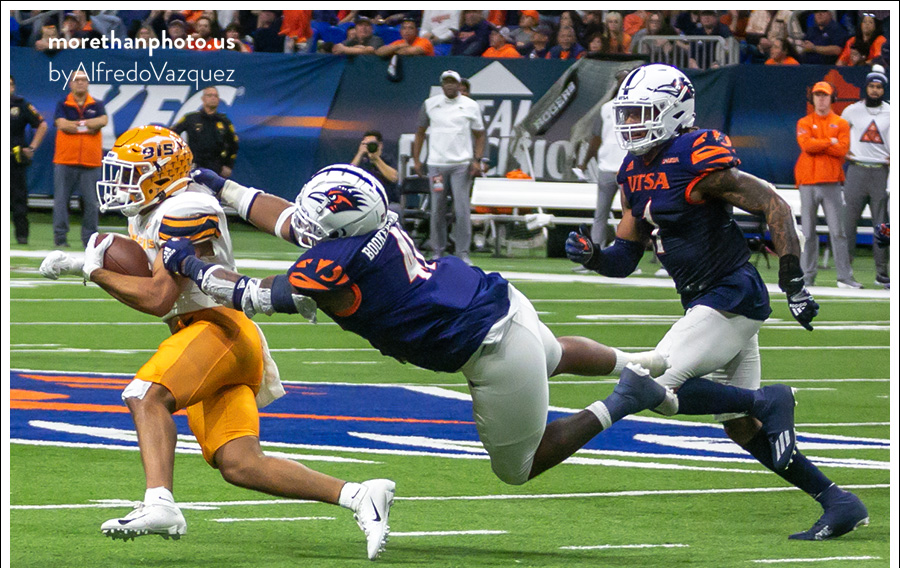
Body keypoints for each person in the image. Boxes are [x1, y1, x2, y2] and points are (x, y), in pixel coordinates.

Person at [164, 164, 806, 519]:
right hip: (500, 302)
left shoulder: (335, 262)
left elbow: (253, 294)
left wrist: (189, 265)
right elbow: (285, 218)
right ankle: (632, 360)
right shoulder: (370, 225)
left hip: (489, 349)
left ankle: (623, 398)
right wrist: (222, 185)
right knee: (553, 352)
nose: (302, 226)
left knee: (517, 467)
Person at [37, 126, 394, 560]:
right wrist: (83, 264)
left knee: (146, 395)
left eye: (132, 173)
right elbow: (151, 277)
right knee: (241, 464)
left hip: (218, 330)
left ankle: (160, 503)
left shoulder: (186, 207)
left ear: (162, 173)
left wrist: (93, 271)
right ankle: (359, 495)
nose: (122, 183)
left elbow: (159, 297)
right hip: (210, 338)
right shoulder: (155, 206)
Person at [566, 64, 868, 541]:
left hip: (730, 294)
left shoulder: (693, 156)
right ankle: (838, 500)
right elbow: (626, 255)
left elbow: (774, 204)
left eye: (642, 113)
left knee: (651, 383)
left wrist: (792, 280)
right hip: (707, 300)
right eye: (628, 113)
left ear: (673, 112)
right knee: (740, 426)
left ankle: (769, 399)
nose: (631, 123)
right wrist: (594, 257)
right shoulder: (634, 170)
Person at [412, 70, 486, 263]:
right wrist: (417, 160)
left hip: (461, 165)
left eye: (453, 82)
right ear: (442, 85)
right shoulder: (430, 104)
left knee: (461, 210)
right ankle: (437, 251)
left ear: (459, 85)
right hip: (436, 165)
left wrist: (477, 160)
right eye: (446, 82)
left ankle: (463, 253)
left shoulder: (470, 106)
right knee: (437, 209)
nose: (450, 85)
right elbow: (420, 133)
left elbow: (480, 134)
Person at [795, 80, 859, 288]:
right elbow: (807, 146)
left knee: (838, 231)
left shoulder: (840, 123)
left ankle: (844, 277)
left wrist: (820, 143)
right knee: (807, 232)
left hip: (831, 181)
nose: (821, 99)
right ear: (812, 98)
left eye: (825, 95)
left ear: (832, 98)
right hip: (807, 181)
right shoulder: (804, 122)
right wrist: (829, 141)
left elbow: (842, 149)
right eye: (817, 95)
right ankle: (807, 276)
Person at [840, 70, 890, 289]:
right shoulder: (852, 110)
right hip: (856, 169)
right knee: (849, 223)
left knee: (882, 225)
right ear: (866, 88)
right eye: (872, 86)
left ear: (883, 90)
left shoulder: (891, 111)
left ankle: (882, 274)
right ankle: (845, 274)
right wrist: (843, 151)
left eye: (879, 87)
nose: (875, 90)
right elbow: (838, 132)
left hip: (881, 171)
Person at [576, 69, 630, 250]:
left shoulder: (637, 107)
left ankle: (627, 253)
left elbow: (596, 139)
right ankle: (595, 253)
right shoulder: (607, 108)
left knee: (628, 214)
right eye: (621, 80)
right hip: (610, 167)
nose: (622, 83)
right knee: (603, 214)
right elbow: (596, 139)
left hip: (626, 168)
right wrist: (584, 162)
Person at [52, 69, 107, 248]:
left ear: (88, 83)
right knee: (61, 201)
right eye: (77, 80)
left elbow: (103, 121)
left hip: (91, 161)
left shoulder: (97, 104)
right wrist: (88, 126)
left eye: (84, 79)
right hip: (65, 160)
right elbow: (62, 124)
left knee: (91, 203)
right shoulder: (63, 104)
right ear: (71, 84)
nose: (80, 82)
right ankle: (60, 238)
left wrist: (75, 125)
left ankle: (90, 239)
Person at [10, 75, 48, 245]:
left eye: (10, 84)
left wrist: (32, 147)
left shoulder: (21, 105)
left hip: (14, 158)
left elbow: (42, 124)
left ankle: (22, 236)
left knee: (18, 199)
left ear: (13, 87)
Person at [171, 87, 239, 178]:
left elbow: (233, 145)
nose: (213, 98)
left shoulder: (224, 122)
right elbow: (172, 134)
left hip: (216, 167)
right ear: (203, 98)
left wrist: (228, 165)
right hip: (194, 165)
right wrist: (179, 159)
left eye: (216, 96)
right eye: (209, 95)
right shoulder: (191, 118)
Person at [351, 130, 399, 208]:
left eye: (372, 144)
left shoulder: (388, 159)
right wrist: (360, 153)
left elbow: (394, 177)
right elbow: (349, 174)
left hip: (386, 201)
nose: (369, 146)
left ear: (380, 145)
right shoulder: (361, 160)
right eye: (366, 144)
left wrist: (376, 159)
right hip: (364, 200)